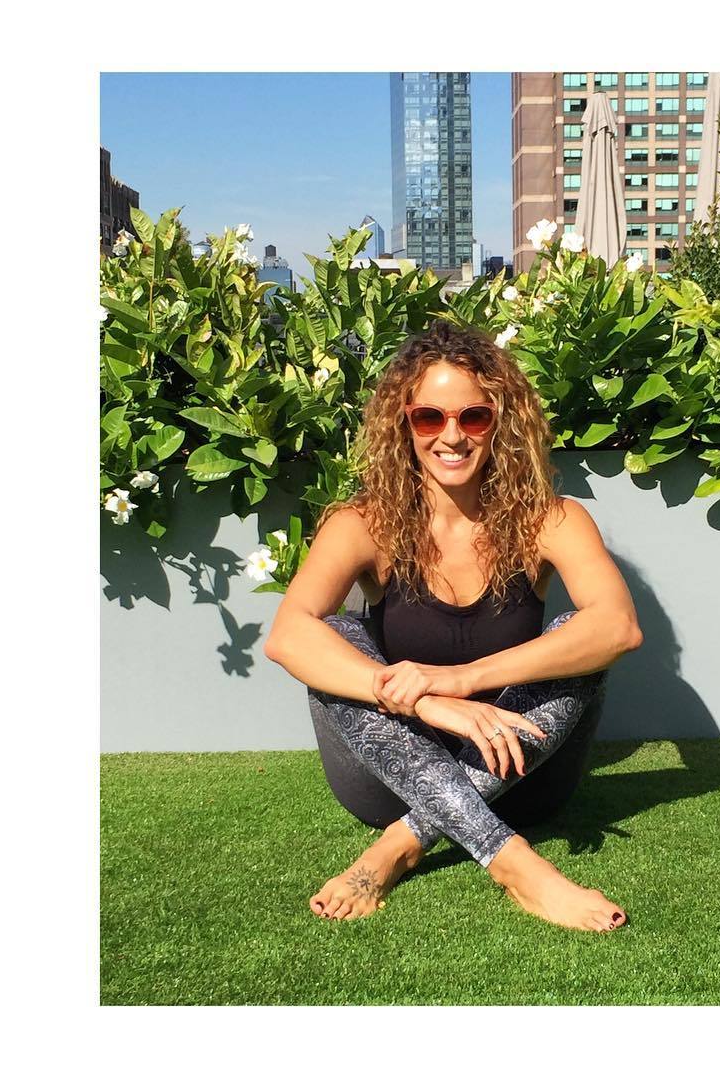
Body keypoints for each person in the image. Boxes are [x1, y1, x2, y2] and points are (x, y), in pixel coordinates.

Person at [263, 319, 644, 932]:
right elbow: (288, 636)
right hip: (387, 776)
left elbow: (618, 627)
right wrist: (427, 704)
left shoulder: (551, 519)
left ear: (501, 423)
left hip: (518, 774)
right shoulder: (363, 524)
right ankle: (512, 861)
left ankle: (402, 842)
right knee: (336, 637)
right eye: (428, 418)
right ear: (403, 424)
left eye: (473, 417)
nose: (452, 436)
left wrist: (460, 681)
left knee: (579, 638)